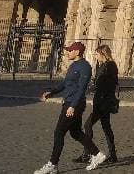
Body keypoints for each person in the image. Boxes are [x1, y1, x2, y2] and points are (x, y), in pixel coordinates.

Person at [33, 42, 108, 174]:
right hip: (69, 102)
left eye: (70, 50)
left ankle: (52, 164)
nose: (68, 52)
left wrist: (73, 106)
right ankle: (97, 154)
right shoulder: (74, 65)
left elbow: (82, 88)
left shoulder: (85, 67)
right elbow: (65, 83)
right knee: (76, 132)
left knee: (59, 132)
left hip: (74, 104)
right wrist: (51, 93)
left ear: (77, 52)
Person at [74, 45, 119, 164]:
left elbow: (108, 83)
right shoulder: (101, 65)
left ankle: (88, 153)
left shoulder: (110, 66)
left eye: (96, 54)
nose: (95, 56)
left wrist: (92, 86)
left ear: (103, 54)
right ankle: (112, 155)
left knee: (88, 125)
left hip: (104, 102)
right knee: (106, 127)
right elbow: (98, 82)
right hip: (99, 100)